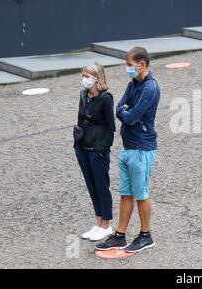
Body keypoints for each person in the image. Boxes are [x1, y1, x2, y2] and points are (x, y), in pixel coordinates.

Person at [96, 47, 160, 252]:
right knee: (126, 193)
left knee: (141, 194)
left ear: (141, 64)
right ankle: (120, 236)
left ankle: (146, 235)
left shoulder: (150, 88)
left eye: (130, 65)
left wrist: (124, 112)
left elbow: (130, 116)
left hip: (142, 149)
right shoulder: (133, 84)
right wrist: (123, 111)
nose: (127, 69)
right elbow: (119, 106)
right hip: (128, 147)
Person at [74, 63, 115, 241]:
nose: (84, 79)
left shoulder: (106, 98)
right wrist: (77, 143)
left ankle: (106, 224)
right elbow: (80, 118)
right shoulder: (84, 95)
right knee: (91, 186)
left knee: (101, 186)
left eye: (87, 76)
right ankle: (98, 222)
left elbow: (110, 127)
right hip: (82, 146)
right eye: (83, 75)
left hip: (97, 149)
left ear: (97, 78)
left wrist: (102, 149)